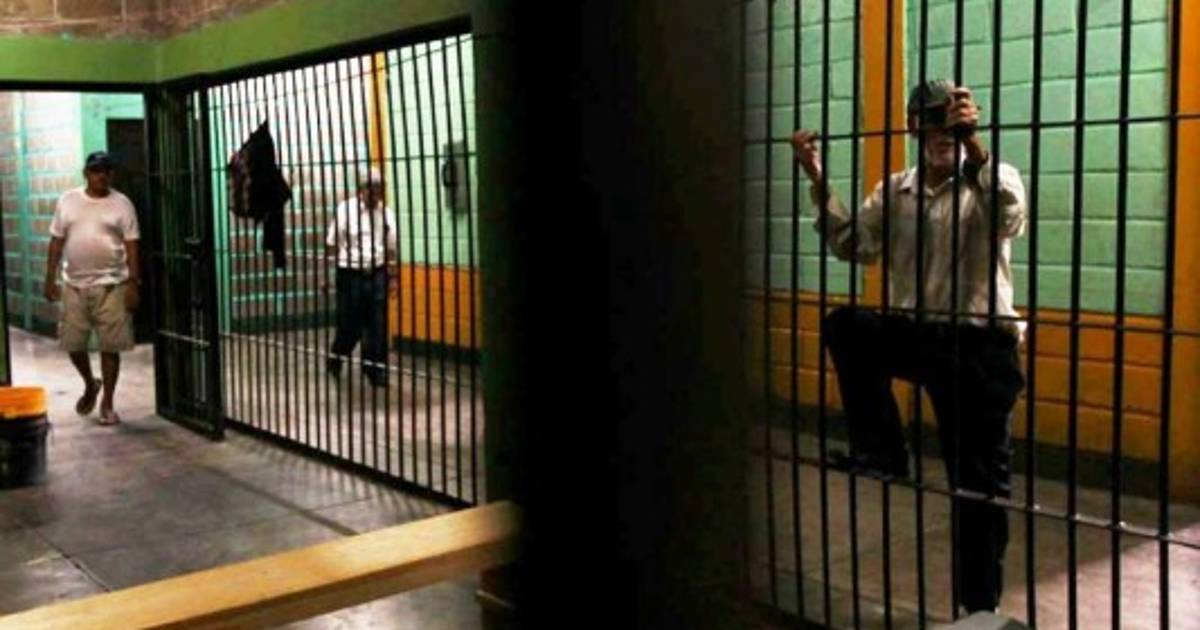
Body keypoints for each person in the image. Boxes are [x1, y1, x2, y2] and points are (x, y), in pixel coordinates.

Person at [791, 80, 1027, 614]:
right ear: (914, 126)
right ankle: (884, 451)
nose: (942, 129)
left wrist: (975, 148)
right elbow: (854, 243)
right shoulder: (897, 189)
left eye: (952, 118)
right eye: (931, 119)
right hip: (919, 336)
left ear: (968, 120)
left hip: (978, 346)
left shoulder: (994, 176)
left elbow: (1009, 218)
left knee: (978, 489)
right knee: (847, 325)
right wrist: (817, 178)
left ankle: (979, 610)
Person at [43, 151, 141, 426]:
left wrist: (133, 283)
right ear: (86, 173)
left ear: (112, 174)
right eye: (97, 170)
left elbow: (132, 245)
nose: (102, 175)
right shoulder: (68, 201)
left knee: (111, 347)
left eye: (107, 171)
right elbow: (56, 241)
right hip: (74, 285)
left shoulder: (122, 204)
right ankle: (90, 383)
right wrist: (49, 278)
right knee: (73, 344)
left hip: (112, 285)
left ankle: (107, 402)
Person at [324, 168, 396, 387]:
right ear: (361, 189)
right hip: (350, 273)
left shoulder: (386, 214)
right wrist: (326, 275)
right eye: (372, 189)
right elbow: (331, 244)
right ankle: (337, 355)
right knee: (350, 323)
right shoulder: (345, 210)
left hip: (377, 272)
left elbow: (391, 249)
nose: (376, 195)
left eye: (379, 190)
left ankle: (375, 368)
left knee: (377, 323)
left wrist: (393, 278)